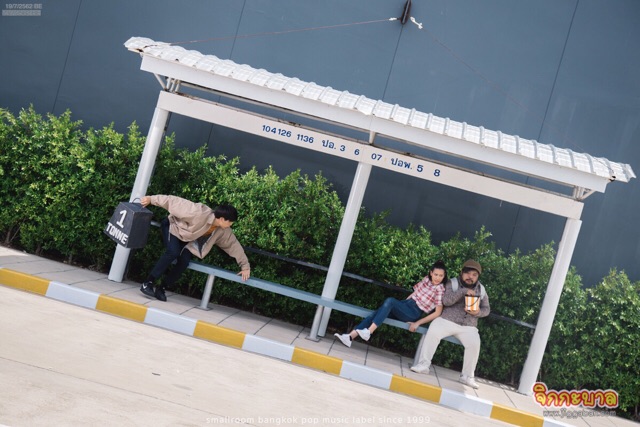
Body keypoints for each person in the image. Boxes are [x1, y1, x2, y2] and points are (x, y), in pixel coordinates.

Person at [138, 195, 250, 302]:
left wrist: (245, 266)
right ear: (222, 219)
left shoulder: (223, 231)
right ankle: (148, 283)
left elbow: (233, 245)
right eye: (230, 222)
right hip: (173, 227)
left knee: (184, 261)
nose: (231, 224)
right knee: (173, 252)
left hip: (187, 239)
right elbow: (174, 202)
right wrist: (151, 199)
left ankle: (162, 288)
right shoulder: (199, 212)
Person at [410, 259, 490, 389]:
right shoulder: (452, 283)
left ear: (478, 277)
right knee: (433, 330)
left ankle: (467, 376)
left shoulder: (481, 289)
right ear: (462, 272)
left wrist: (478, 312)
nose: (470, 277)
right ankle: (423, 365)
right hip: (447, 320)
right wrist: (463, 292)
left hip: (468, 326)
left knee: (475, 344)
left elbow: (487, 309)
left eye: (474, 275)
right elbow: (446, 301)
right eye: (468, 273)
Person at [334, 260, 448, 348]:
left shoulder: (440, 289)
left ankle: (369, 331)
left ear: (444, 276)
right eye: (436, 274)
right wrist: (402, 305)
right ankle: (350, 337)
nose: (438, 278)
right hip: (406, 305)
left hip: (414, 312)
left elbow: (437, 313)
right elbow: (414, 293)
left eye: (441, 276)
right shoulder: (426, 279)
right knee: (377, 313)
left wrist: (417, 323)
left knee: (390, 301)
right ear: (431, 273)